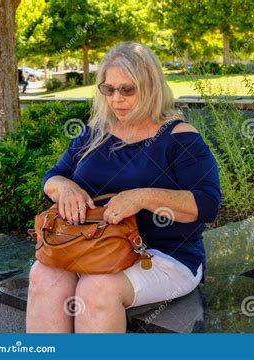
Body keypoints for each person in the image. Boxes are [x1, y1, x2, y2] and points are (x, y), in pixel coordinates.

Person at [26, 41, 221, 333]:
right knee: (43, 275)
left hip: (161, 256)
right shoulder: (94, 133)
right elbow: (52, 177)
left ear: (151, 87)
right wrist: (64, 187)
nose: (116, 99)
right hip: (93, 247)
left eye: (127, 89)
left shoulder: (180, 137)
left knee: (97, 289)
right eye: (109, 89)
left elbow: (207, 204)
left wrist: (142, 197)